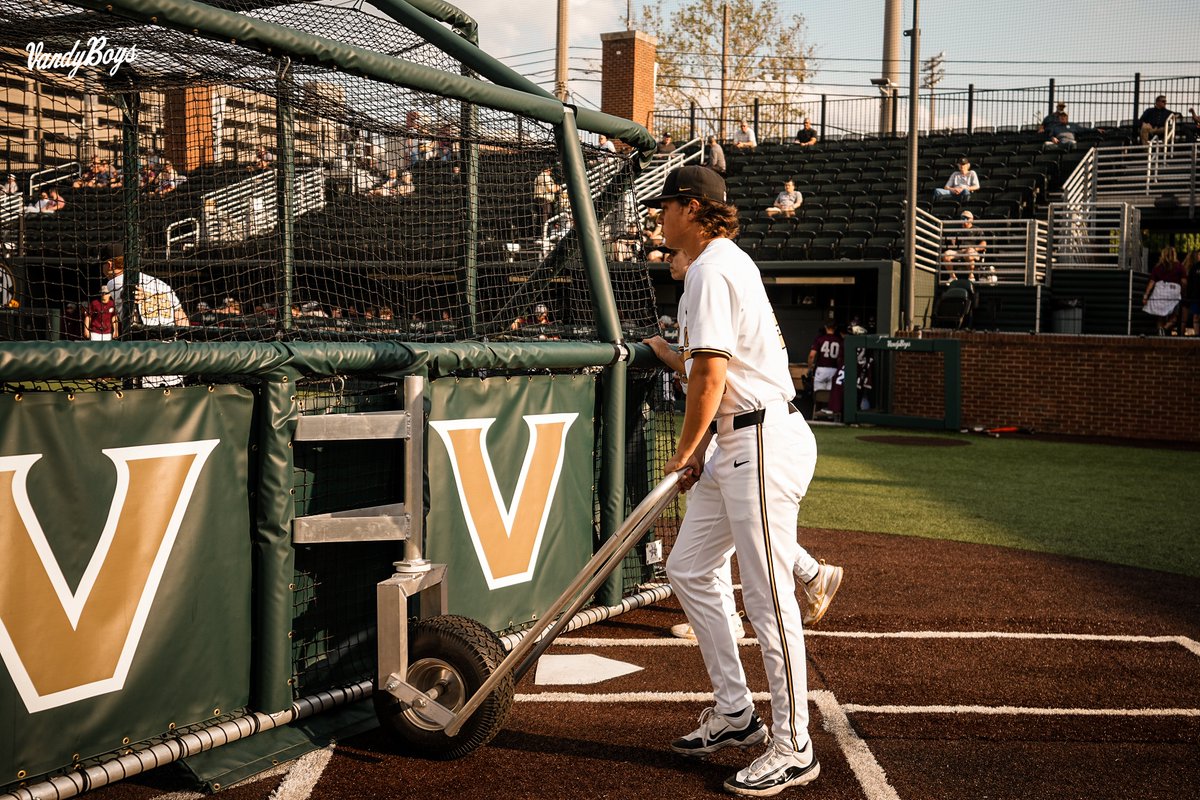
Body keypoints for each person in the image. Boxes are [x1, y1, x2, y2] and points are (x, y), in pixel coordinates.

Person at [646, 165, 839, 797]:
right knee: (689, 568)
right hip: (740, 436)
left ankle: (794, 744)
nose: (660, 216)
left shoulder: (709, 267)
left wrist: (684, 450)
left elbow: (708, 374)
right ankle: (735, 712)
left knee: (767, 596)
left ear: (694, 208)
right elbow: (709, 375)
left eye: (667, 205)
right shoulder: (724, 261)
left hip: (758, 440)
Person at [1142, 246, 1186, 335]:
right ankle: (1165, 328)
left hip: (1160, 292)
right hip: (1174, 292)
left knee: (1160, 317)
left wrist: (1146, 295)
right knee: (1175, 317)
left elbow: (1152, 281)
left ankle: (1160, 333)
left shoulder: (1158, 267)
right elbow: (1184, 281)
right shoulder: (1180, 266)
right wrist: (1183, 292)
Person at [808, 319, 842, 418]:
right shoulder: (839, 340)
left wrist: (810, 367)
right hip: (834, 370)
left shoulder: (820, 339)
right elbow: (840, 358)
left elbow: (811, 355)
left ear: (826, 327)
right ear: (835, 328)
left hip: (821, 369)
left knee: (818, 394)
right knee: (830, 394)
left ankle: (817, 413)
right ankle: (830, 415)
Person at [941, 210, 988, 279]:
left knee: (969, 253)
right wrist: (951, 241)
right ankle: (952, 277)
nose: (963, 220)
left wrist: (974, 249)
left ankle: (971, 276)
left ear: (971, 220)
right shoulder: (957, 231)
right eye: (962, 218)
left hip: (972, 251)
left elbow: (983, 244)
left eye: (965, 218)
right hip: (959, 251)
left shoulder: (977, 230)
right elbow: (949, 242)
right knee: (946, 255)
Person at [1184, 249, 1200, 336]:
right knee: (1196, 317)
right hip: (1195, 297)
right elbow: (1190, 283)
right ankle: (1197, 335)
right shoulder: (1194, 267)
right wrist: (1189, 296)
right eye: (1199, 255)